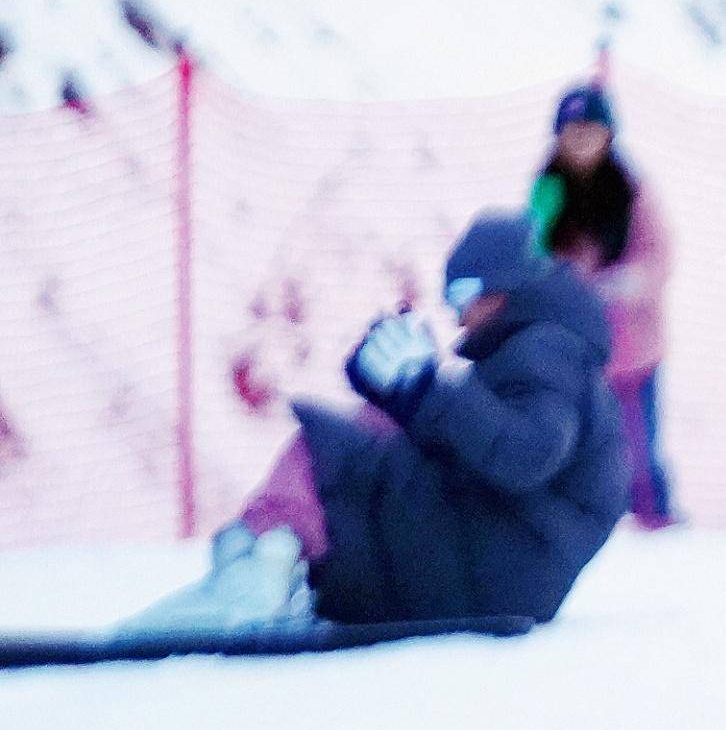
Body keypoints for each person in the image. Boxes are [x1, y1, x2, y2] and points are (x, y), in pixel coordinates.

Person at [124, 211, 630, 637]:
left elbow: (525, 455)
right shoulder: (544, 360)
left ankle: (264, 569)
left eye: (464, 292)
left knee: (330, 445)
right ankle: (280, 570)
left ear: (510, 283)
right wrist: (402, 396)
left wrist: (426, 389)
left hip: (485, 567)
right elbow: (487, 457)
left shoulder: (546, 351)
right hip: (491, 571)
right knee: (369, 430)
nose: (457, 315)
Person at [528, 84, 677, 526]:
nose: (581, 142)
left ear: (609, 136)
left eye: (590, 132)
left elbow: (660, 254)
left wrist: (627, 283)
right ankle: (582, 520)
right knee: (572, 442)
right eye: (572, 133)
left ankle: (654, 522)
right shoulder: (548, 190)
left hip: (632, 348)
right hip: (573, 349)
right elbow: (532, 254)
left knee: (638, 446)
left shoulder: (631, 190)